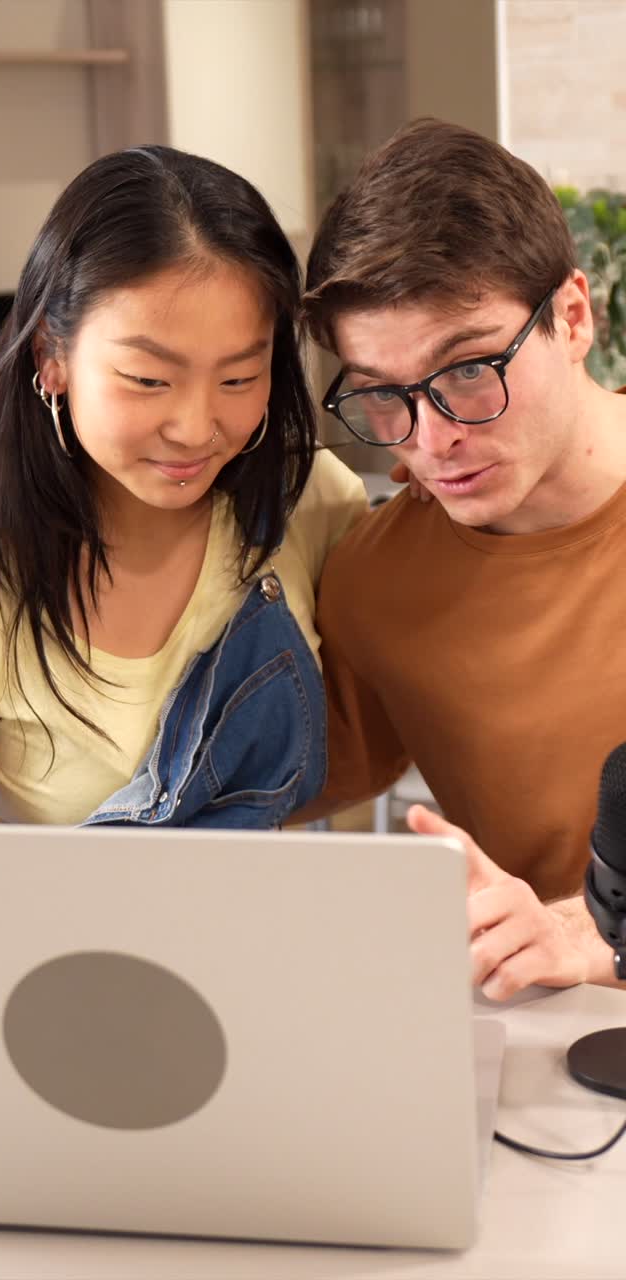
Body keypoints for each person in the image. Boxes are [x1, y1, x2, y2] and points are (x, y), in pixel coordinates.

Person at [0, 146, 366, 829]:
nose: (194, 428)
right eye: (149, 380)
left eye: (239, 379)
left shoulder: (312, 503)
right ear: (51, 358)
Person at [296, 117, 626, 998]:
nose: (433, 438)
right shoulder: (378, 582)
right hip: (543, 1055)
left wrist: (598, 937)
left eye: (471, 368)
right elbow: (255, 790)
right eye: (383, 395)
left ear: (572, 315)